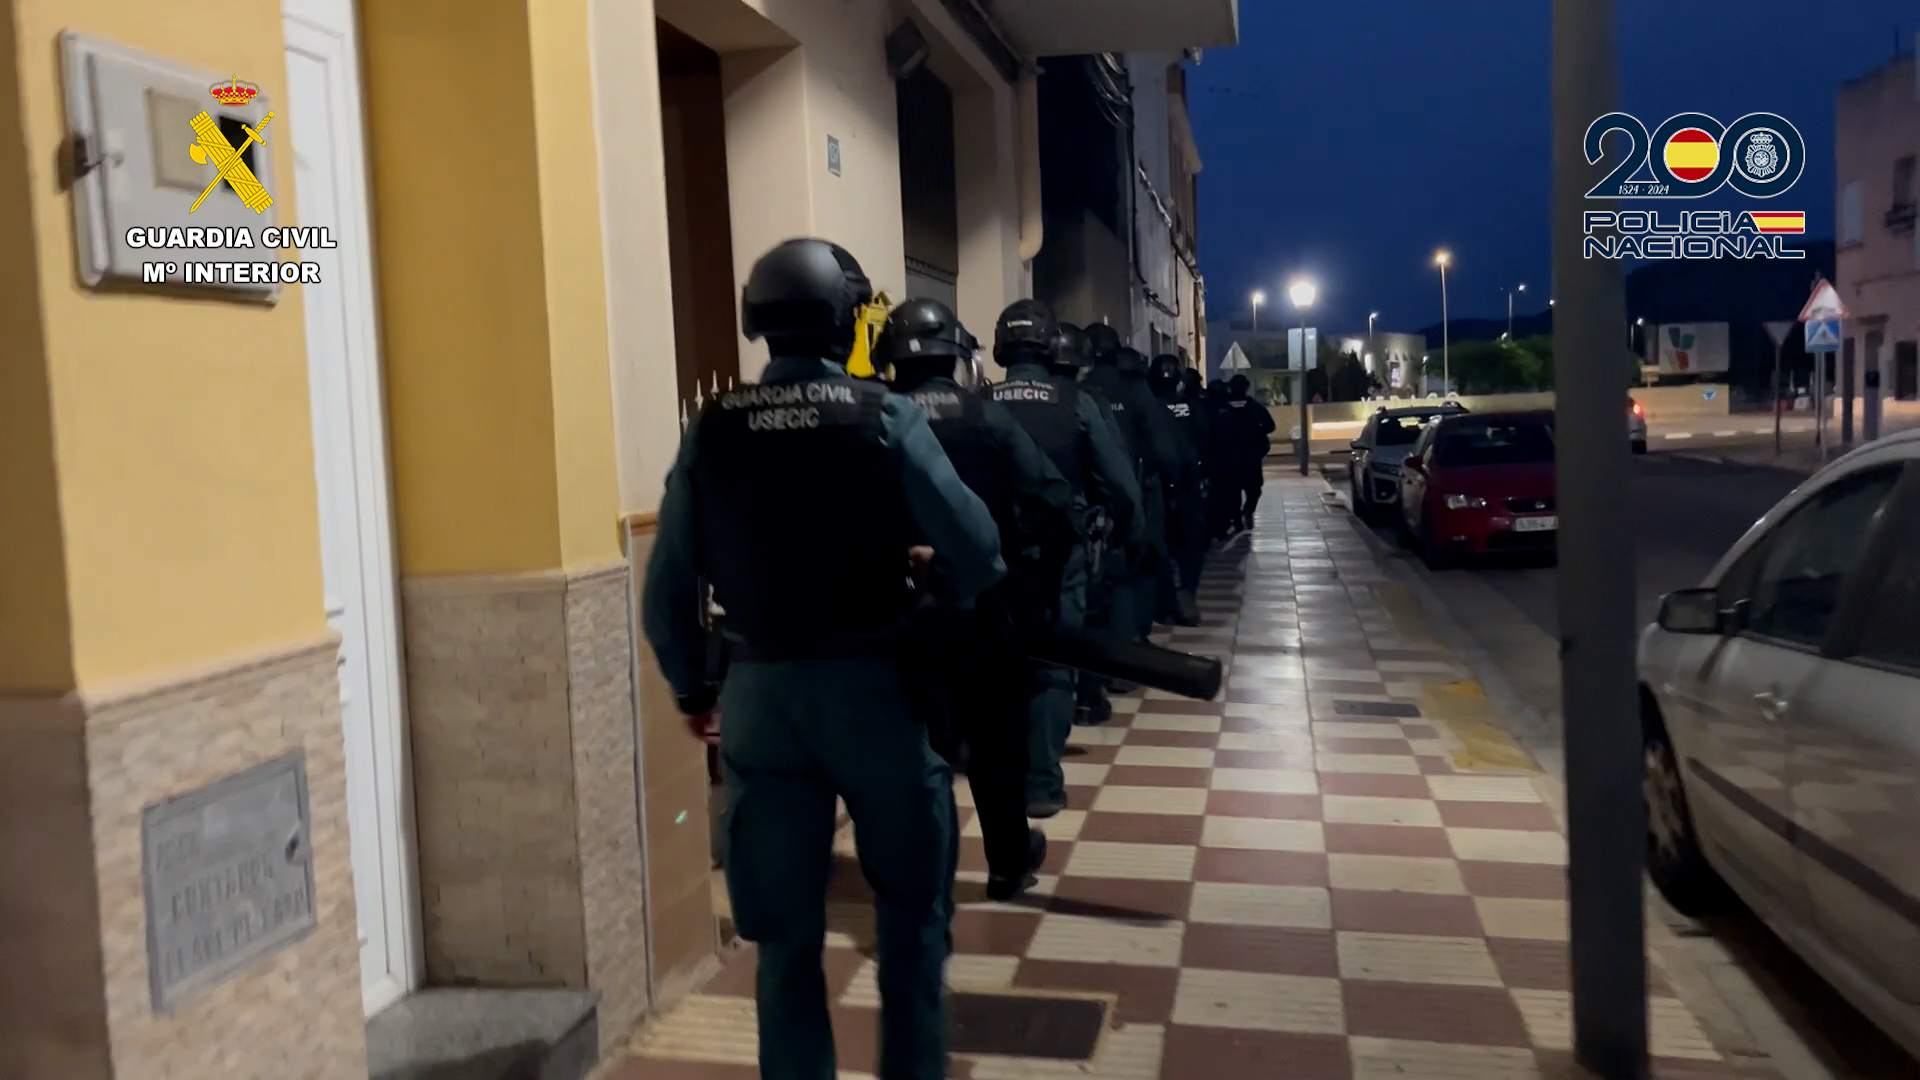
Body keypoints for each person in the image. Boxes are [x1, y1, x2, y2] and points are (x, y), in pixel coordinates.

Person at [641, 238, 1005, 1080]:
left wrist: (694, 689)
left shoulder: (714, 427)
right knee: (912, 921)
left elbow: (666, 593)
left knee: (783, 940)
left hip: (761, 701)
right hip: (876, 695)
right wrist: (937, 579)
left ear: (758, 322)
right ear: (848, 321)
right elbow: (979, 549)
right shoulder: (884, 417)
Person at [878, 297, 1074, 901]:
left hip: (898, 618)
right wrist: (1034, 583)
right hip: (983, 611)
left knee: (915, 750)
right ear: (958, 356)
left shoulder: (873, 421)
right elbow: (1053, 499)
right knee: (997, 743)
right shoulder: (987, 417)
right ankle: (1007, 863)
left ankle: (921, 875)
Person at [988, 301, 1142, 817]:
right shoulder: (1077, 402)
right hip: (1060, 554)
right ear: (1051, 344)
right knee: (1053, 664)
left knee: (999, 661)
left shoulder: (979, 402)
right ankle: (1040, 783)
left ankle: (1001, 769)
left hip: (989, 553)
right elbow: (1119, 484)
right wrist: (1124, 534)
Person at [1150, 355, 1208, 626]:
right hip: (1188, 485)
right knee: (1191, 545)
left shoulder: (1151, 407)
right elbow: (1206, 441)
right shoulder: (1192, 407)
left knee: (1160, 546)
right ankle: (1186, 592)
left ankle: (1166, 602)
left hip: (1159, 486)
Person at [1220, 373, 1277, 531]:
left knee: (1233, 491)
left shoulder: (1223, 408)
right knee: (1254, 489)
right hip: (1251, 457)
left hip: (1230, 458)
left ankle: (1238, 519)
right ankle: (1248, 509)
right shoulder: (1255, 407)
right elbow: (1270, 426)